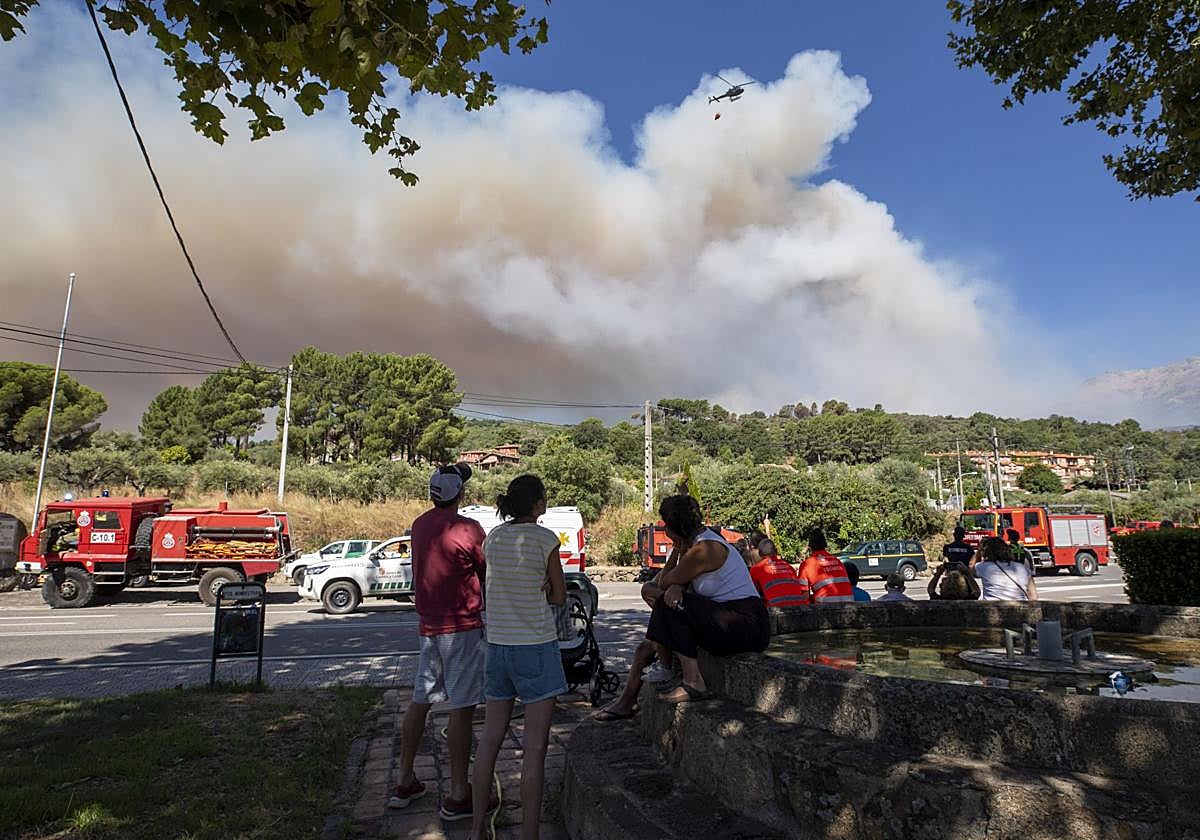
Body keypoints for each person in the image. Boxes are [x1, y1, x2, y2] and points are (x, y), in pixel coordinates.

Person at [390, 463, 491, 820]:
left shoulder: (420, 525)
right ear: (459, 494)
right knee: (462, 707)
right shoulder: (469, 529)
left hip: (429, 626)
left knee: (422, 699)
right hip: (461, 627)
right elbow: (485, 572)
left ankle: (404, 781)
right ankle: (459, 794)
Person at [470, 475, 567, 840]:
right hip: (536, 648)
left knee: (490, 739)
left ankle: (477, 828)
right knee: (535, 748)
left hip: (497, 647)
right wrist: (546, 585)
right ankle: (529, 835)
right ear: (538, 504)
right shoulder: (545, 539)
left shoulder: (493, 538)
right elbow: (559, 597)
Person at [645, 495, 771, 704]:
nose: (665, 532)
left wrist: (677, 560)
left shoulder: (705, 549)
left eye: (667, 526)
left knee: (668, 604)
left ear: (677, 528)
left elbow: (663, 582)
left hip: (746, 623)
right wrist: (676, 578)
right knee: (667, 600)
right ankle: (672, 670)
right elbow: (668, 583)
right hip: (732, 618)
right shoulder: (698, 544)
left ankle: (693, 682)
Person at [796, 529, 854, 604]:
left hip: (825, 609)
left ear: (810, 546)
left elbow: (804, 596)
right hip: (848, 607)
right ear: (825, 544)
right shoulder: (837, 561)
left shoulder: (807, 564)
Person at [748, 538, 810, 607]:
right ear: (776, 551)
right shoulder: (788, 567)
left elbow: (752, 594)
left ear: (760, 553)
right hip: (799, 608)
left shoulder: (756, 569)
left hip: (777, 611)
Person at [974, 536, 1039, 601]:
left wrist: (979, 550)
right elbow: (1033, 596)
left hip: (993, 609)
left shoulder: (983, 567)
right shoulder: (1023, 568)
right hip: (1019, 609)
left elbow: (970, 568)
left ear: (987, 552)